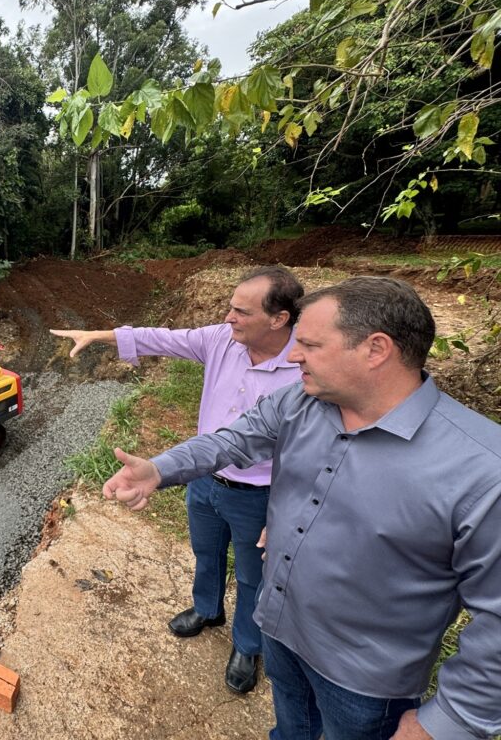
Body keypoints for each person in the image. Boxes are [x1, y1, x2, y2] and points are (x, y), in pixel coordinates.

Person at [102, 276, 501, 739]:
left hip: (362, 680)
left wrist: (449, 721)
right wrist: (159, 469)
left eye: (309, 344)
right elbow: (234, 438)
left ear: (376, 349)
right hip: (279, 626)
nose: (293, 356)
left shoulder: (482, 471)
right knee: (290, 726)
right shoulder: (301, 402)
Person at [51, 265, 305, 695]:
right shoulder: (222, 340)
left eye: (240, 311)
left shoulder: (306, 367)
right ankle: (207, 610)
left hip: (261, 495)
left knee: (251, 575)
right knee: (205, 553)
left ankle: (247, 644)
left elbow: (309, 453)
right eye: (229, 308)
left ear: (278, 319)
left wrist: (285, 510)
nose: (228, 317)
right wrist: (101, 336)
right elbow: (164, 338)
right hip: (204, 480)